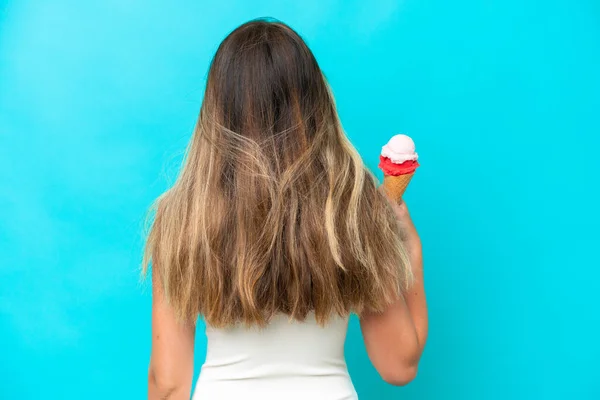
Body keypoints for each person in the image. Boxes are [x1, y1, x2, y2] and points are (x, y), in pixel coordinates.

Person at [143, 18, 428, 400]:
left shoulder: (180, 218)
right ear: (317, 104)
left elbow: (167, 384)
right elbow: (398, 365)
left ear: (215, 112)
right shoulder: (356, 210)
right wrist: (410, 250)